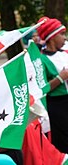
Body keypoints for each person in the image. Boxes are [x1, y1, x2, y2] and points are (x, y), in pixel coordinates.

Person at [36, 16, 68, 153]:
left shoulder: (65, 53)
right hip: (57, 106)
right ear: (52, 37)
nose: (64, 37)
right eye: (61, 34)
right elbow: (41, 88)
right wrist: (60, 78)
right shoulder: (41, 59)